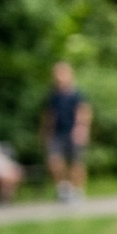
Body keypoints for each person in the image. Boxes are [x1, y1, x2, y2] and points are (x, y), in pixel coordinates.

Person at [41, 62, 92, 203]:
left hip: (73, 131)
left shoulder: (77, 93)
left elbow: (84, 111)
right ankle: (64, 189)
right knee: (54, 160)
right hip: (57, 132)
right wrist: (46, 133)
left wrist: (81, 129)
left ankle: (78, 191)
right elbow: (49, 115)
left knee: (77, 162)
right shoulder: (53, 95)